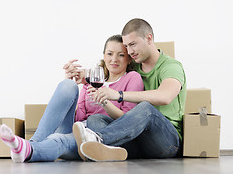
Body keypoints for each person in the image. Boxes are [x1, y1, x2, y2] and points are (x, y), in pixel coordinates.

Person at [0, 34, 144, 162]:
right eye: (110, 54)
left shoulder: (133, 78)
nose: (114, 59)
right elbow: (79, 116)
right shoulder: (92, 80)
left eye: (121, 55)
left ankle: (27, 150)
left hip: (94, 138)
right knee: (68, 85)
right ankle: (33, 143)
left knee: (58, 140)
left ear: (129, 59)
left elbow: (126, 120)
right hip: (77, 127)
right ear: (104, 56)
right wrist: (69, 80)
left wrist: (104, 103)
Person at [72, 18, 187, 161]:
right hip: (138, 140)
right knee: (96, 119)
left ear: (149, 38)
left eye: (133, 44)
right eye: (127, 46)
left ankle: (98, 140)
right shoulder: (134, 67)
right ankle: (109, 151)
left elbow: (165, 96)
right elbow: (109, 73)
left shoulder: (171, 66)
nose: (130, 51)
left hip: (166, 142)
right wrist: (80, 75)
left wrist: (119, 95)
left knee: (146, 108)